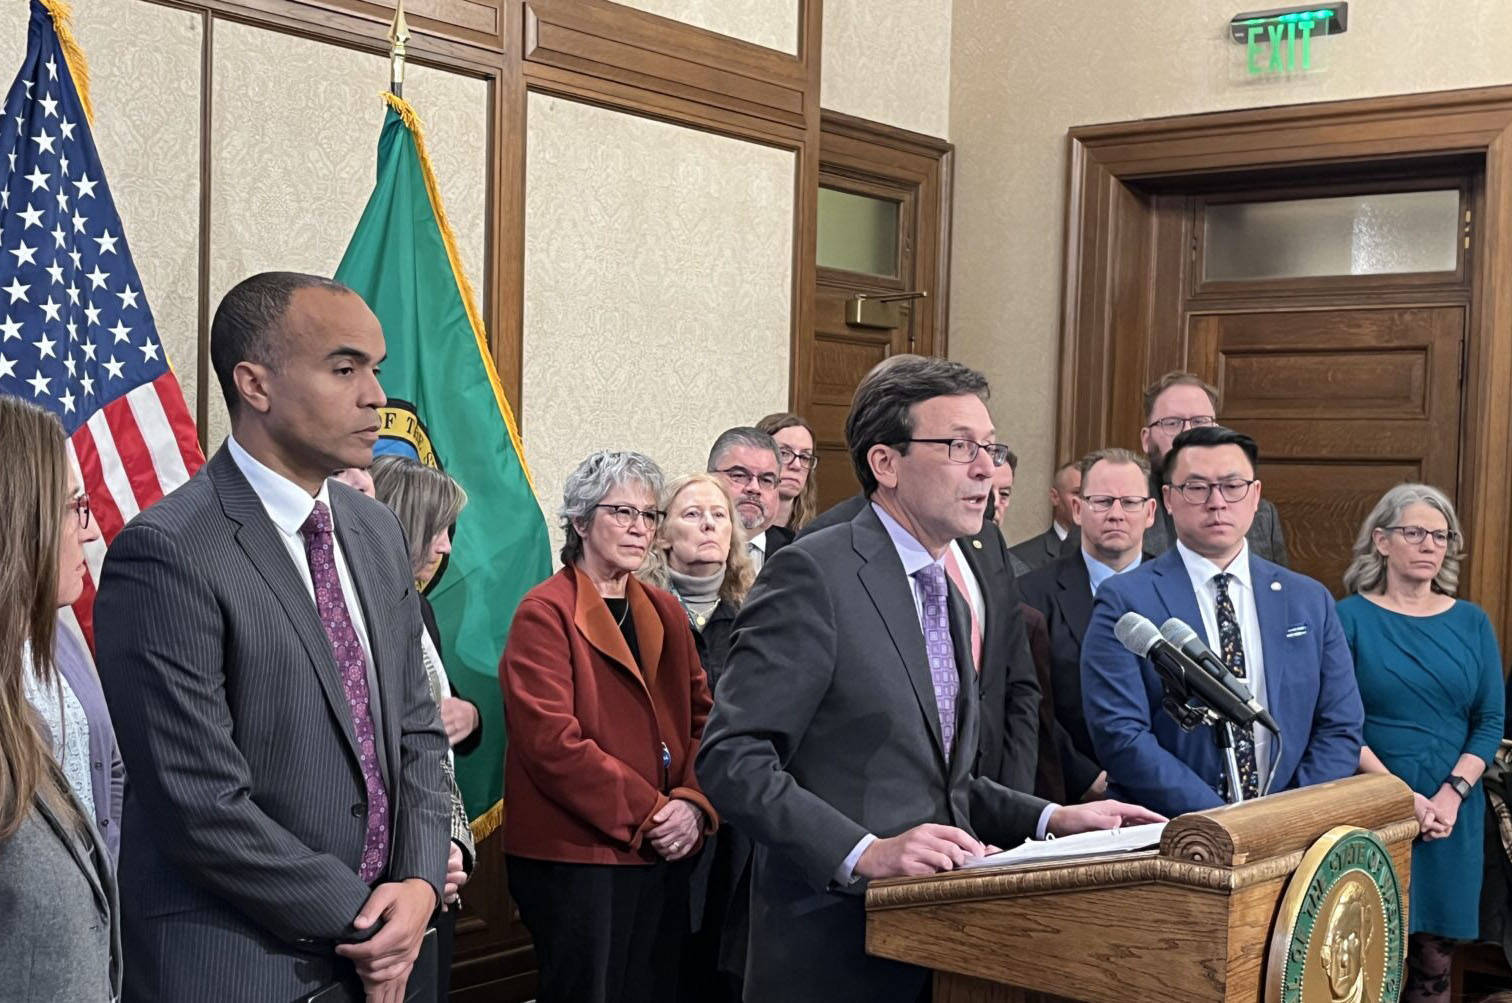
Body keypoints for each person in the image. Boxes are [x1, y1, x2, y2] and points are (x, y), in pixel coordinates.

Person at [696, 354, 1163, 1003]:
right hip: (836, 946)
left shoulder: (954, 585)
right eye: (959, 446)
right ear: (885, 462)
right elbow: (731, 758)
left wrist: (1056, 817)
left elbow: (943, 779)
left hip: (949, 944)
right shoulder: (816, 575)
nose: (986, 468)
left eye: (990, 447)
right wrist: (864, 850)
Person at [94, 272, 451, 1002]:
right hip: (243, 965)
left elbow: (417, 725)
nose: (375, 395)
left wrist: (415, 882)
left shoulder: (375, 528)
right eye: (344, 368)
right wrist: (366, 919)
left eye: (375, 368)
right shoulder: (165, 551)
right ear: (254, 384)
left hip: (395, 950)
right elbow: (200, 804)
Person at [502, 450, 718, 1003]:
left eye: (649, 515)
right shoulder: (544, 611)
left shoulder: (666, 610)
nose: (638, 528)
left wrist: (693, 802)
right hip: (579, 855)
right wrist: (653, 814)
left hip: (665, 848)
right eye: (621, 512)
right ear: (579, 522)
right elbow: (553, 744)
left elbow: (705, 720)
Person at [1080, 425, 1363, 819]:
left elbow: (1341, 725)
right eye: (1196, 488)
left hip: (1292, 836)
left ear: (1256, 496)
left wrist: (1286, 818)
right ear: (1167, 500)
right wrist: (1224, 822)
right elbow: (1121, 735)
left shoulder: (1308, 600)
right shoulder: (1125, 600)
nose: (1217, 502)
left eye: (1233, 486)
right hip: (1173, 833)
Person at [1337, 484, 1504, 1003]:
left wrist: (1451, 794)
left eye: (1440, 535)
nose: (1430, 544)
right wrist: (1398, 797)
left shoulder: (1472, 622)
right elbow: (1337, 721)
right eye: (1415, 532)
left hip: (1452, 815)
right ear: (1382, 541)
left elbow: (1490, 718)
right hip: (1371, 807)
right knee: (1361, 963)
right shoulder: (1347, 618)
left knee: (1433, 965)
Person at [0, 397, 121, 1000]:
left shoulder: (60, 632)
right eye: (75, 507)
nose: (92, 528)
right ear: (20, 517)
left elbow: (109, 769)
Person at [639, 472, 756, 1002]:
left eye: (719, 515)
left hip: (740, 820)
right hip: (658, 814)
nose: (709, 524)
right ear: (661, 534)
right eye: (692, 514)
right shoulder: (636, 611)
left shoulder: (760, 614)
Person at [369, 454, 481, 1000]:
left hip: (440, 863)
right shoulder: (363, 616)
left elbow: (441, 716)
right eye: (435, 530)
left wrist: (472, 713)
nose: (446, 547)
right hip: (389, 871)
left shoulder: (420, 608)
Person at [1019, 447, 1155, 791]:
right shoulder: (1029, 594)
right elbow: (1029, 703)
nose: (1116, 514)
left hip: (1168, 792)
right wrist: (1086, 779)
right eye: (1102, 501)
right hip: (1072, 794)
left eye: (1130, 502)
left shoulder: (1180, 590)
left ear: (1151, 511)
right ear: (1077, 509)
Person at [1137, 371, 1288, 564]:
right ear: (1146, 440)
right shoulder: (1124, 510)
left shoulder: (1262, 516)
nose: (1188, 433)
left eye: (1200, 422)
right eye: (1172, 423)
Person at [707, 427, 787, 572]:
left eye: (766, 480)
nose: (754, 488)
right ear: (709, 479)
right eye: (739, 475)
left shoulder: (797, 552)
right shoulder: (682, 548)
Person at [1008, 460, 1080, 571]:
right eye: (1077, 493)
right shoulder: (1020, 559)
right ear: (1055, 497)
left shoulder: (1111, 555)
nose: (1085, 501)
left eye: (1091, 494)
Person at [756, 412, 819, 533]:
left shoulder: (814, 537)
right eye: (784, 453)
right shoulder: (728, 535)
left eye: (805, 457)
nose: (796, 465)